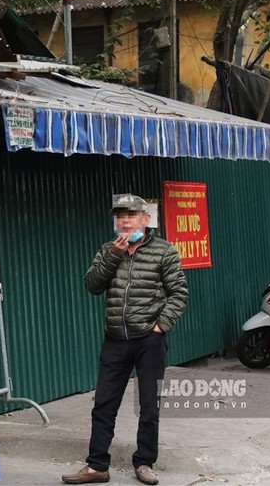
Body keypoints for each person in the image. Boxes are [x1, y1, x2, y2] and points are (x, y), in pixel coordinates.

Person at [62, 194, 189, 486]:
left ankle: (144, 462)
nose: (124, 221)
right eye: (119, 216)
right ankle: (97, 466)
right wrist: (113, 256)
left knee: (148, 405)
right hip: (115, 339)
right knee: (104, 403)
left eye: (130, 215)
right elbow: (92, 285)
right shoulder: (108, 250)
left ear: (146, 220)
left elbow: (179, 293)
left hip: (149, 340)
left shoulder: (164, 251)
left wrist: (160, 327)